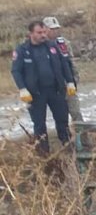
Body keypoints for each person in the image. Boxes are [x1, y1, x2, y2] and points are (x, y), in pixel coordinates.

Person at [11, 20, 74, 153]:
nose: (43, 35)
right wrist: (22, 88)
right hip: (36, 93)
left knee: (62, 120)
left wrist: (69, 81)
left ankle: (68, 147)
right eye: (39, 32)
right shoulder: (22, 50)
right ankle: (44, 154)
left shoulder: (52, 47)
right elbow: (16, 71)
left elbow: (64, 64)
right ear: (31, 34)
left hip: (55, 90)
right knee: (39, 125)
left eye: (44, 32)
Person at [43, 16, 81, 122]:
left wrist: (74, 79)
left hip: (67, 82)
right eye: (52, 29)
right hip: (51, 85)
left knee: (76, 111)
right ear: (45, 29)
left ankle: (82, 136)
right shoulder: (40, 44)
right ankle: (65, 136)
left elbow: (71, 62)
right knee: (60, 114)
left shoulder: (63, 43)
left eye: (56, 29)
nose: (55, 31)